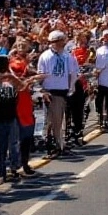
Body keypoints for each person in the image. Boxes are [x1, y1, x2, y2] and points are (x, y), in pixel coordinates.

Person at [37, 30, 79, 159]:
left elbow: (72, 73)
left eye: (61, 40)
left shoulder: (67, 56)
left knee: (61, 120)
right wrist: (43, 90)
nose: (61, 43)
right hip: (51, 91)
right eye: (57, 41)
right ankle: (53, 146)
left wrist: (71, 88)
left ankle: (60, 145)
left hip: (63, 90)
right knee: (52, 120)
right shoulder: (45, 56)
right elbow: (40, 74)